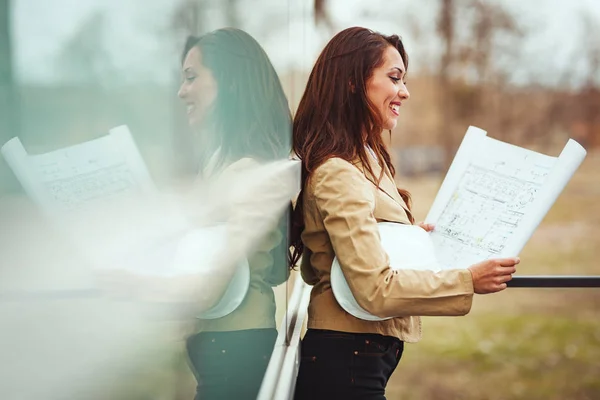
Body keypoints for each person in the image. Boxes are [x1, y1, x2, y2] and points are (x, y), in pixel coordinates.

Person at [290, 26, 519, 400]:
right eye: (394, 78)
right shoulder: (338, 172)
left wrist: (413, 238)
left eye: (404, 80)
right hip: (345, 364)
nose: (405, 91)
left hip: (358, 358)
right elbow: (372, 289)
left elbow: (340, 255)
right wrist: (467, 280)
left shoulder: (363, 162)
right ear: (352, 83)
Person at [176, 28, 293, 400]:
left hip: (236, 352)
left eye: (192, 77)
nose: (182, 92)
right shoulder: (219, 164)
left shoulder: (246, 170)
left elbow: (209, 281)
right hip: (228, 348)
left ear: (228, 84)